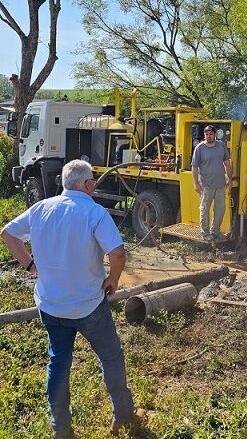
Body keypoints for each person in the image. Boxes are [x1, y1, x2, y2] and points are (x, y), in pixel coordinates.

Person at [0, 159, 141, 438]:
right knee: (111, 357)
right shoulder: (94, 212)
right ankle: (123, 416)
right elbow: (118, 253)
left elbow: (7, 233)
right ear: (87, 184)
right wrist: (113, 279)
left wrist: (30, 265)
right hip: (89, 306)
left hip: (52, 307)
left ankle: (61, 429)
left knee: (58, 363)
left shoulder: (41, 208)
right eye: (93, 183)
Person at [192, 124, 232, 242]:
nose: (208, 136)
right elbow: (194, 167)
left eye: (210, 134)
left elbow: (227, 163)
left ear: (215, 135)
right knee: (204, 209)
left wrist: (229, 180)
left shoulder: (221, 146)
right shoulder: (199, 148)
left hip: (220, 184)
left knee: (220, 209)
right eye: (206, 134)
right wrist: (196, 184)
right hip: (206, 185)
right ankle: (205, 233)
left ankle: (216, 232)